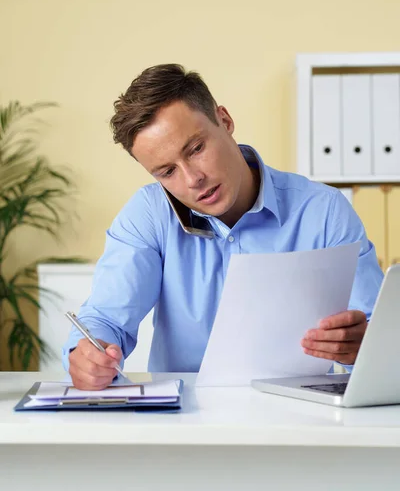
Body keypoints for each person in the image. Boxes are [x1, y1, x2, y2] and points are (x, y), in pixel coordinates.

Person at [63, 64, 383, 390]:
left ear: (225, 121)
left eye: (196, 149)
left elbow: (377, 331)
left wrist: (363, 347)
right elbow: (105, 320)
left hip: (299, 417)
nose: (192, 179)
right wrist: (88, 355)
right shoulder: (148, 215)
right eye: (166, 172)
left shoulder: (324, 210)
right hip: (186, 422)